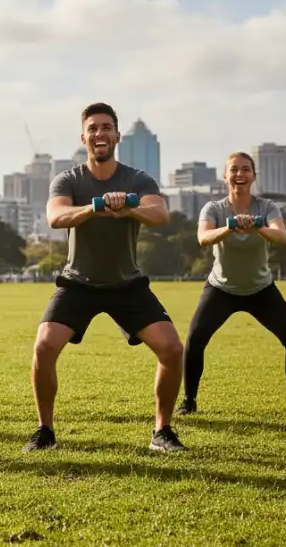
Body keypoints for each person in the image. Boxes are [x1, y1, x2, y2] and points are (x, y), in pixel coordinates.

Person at [25, 103, 188, 453]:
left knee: (172, 348)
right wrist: (95, 207)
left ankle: (162, 432)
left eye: (106, 128)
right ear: (84, 137)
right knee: (44, 346)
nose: (100, 134)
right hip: (78, 284)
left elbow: (160, 213)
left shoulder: (137, 178)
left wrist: (126, 209)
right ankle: (45, 431)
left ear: (117, 136)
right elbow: (56, 217)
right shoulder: (68, 179)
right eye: (93, 129)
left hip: (126, 284)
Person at [178, 152, 286, 417]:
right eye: (234, 170)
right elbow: (204, 238)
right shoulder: (213, 209)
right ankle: (188, 401)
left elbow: (281, 236)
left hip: (260, 289)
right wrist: (229, 227)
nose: (239, 175)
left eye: (245, 170)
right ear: (225, 176)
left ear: (253, 176)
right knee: (195, 340)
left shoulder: (266, 207)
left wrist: (257, 227)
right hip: (220, 288)